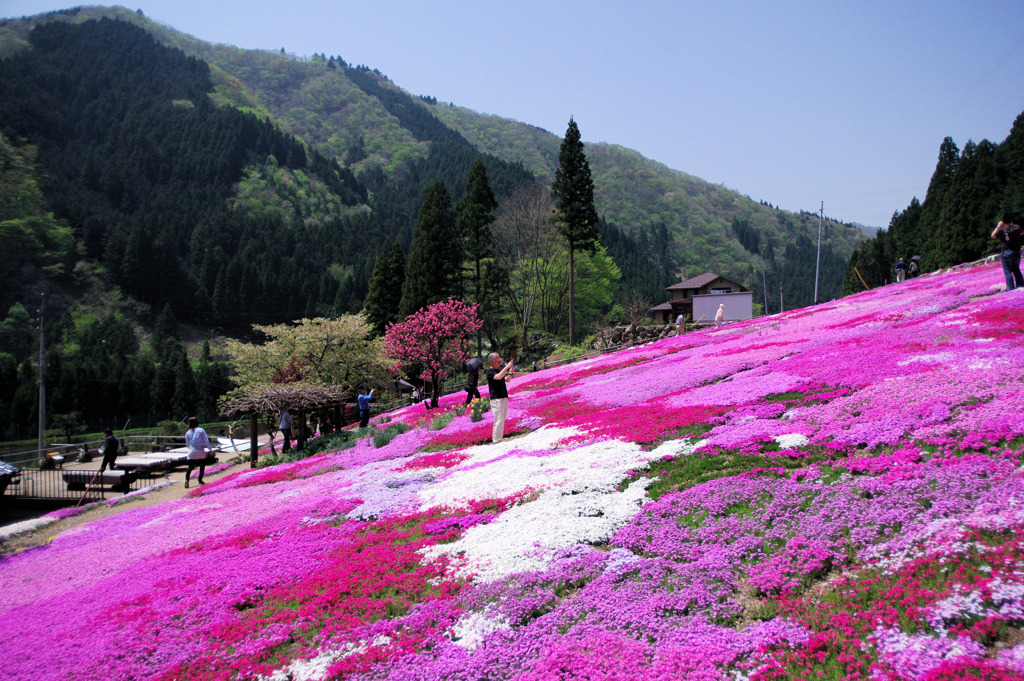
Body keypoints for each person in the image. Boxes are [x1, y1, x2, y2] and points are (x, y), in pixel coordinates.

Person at [486, 352, 515, 443]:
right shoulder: (490, 372)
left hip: (503, 397)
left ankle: (499, 439)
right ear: (492, 361)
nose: (500, 360)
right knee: (498, 419)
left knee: (501, 419)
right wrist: (506, 367)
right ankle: (496, 440)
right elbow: (498, 377)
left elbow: (507, 380)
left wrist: (510, 374)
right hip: (496, 399)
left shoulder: (498, 371)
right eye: (498, 358)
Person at [991, 214, 1023, 291]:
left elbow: (993, 235)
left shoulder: (1001, 230)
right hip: (1017, 250)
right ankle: (1021, 286)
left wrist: (998, 226)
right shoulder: (1017, 227)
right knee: (1016, 269)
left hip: (1006, 252)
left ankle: (1010, 289)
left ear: (1002, 222)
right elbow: (1022, 233)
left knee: (1008, 271)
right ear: (1011, 220)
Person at [184, 416, 211, 488]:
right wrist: (210, 449)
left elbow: (187, 444)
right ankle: (200, 480)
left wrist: (190, 449)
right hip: (200, 450)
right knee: (202, 465)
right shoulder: (201, 430)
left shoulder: (188, 432)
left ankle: (187, 481)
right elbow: (206, 440)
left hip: (191, 451)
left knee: (190, 467)